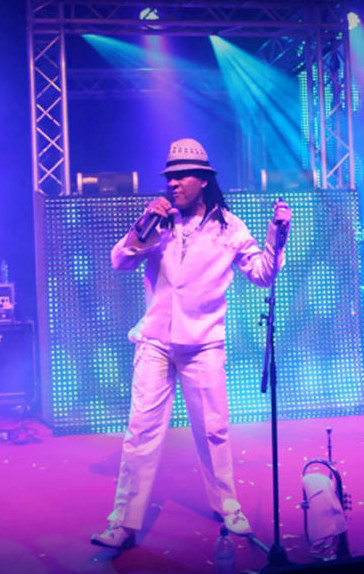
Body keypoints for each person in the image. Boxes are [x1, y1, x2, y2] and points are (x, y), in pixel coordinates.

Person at [91, 138, 292, 549]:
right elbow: (119, 261)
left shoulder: (229, 227)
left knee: (213, 430)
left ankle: (228, 506)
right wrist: (144, 225)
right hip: (155, 341)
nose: (173, 183)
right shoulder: (158, 223)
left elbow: (263, 274)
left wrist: (277, 237)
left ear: (202, 180)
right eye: (170, 177)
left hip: (203, 344)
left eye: (182, 176)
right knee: (140, 431)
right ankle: (124, 522)